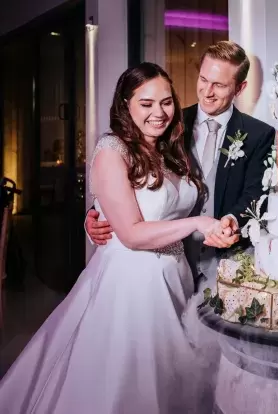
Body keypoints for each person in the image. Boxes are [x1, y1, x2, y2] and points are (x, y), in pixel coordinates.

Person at [0, 63, 237, 414]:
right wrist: (197, 223)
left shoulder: (171, 144)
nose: (159, 112)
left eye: (167, 102)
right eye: (146, 104)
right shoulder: (113, 149)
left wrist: (99, 213)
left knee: (174, 379)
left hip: (175, 273)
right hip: (131, 284)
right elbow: (131, 234)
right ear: (125, 104)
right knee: (129, 382)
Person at [86, 41, 276, 288]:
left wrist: (231, 220)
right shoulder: (168, 124)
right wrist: (95, 215)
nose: (207, 91)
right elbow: (126, 176)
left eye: (218, 85)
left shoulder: (259, 134)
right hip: (164, 262)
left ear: (240, 88)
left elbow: (256, 194)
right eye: (203, 79)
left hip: (223, 261)